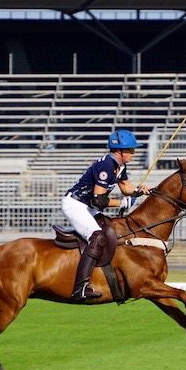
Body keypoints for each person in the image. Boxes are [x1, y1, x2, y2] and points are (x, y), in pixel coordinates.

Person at [62, 129, 151, 302]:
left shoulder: (120, 165)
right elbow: (99, 200)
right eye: (131, 150)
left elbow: (126, 188)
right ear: (120, 151)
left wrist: (141, 191)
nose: (134, 153)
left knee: (113, 230)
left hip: (88, 206)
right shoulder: (106, 166)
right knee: (98, 237)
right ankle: (80, 288)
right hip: (77, 205)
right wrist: (122, 203)